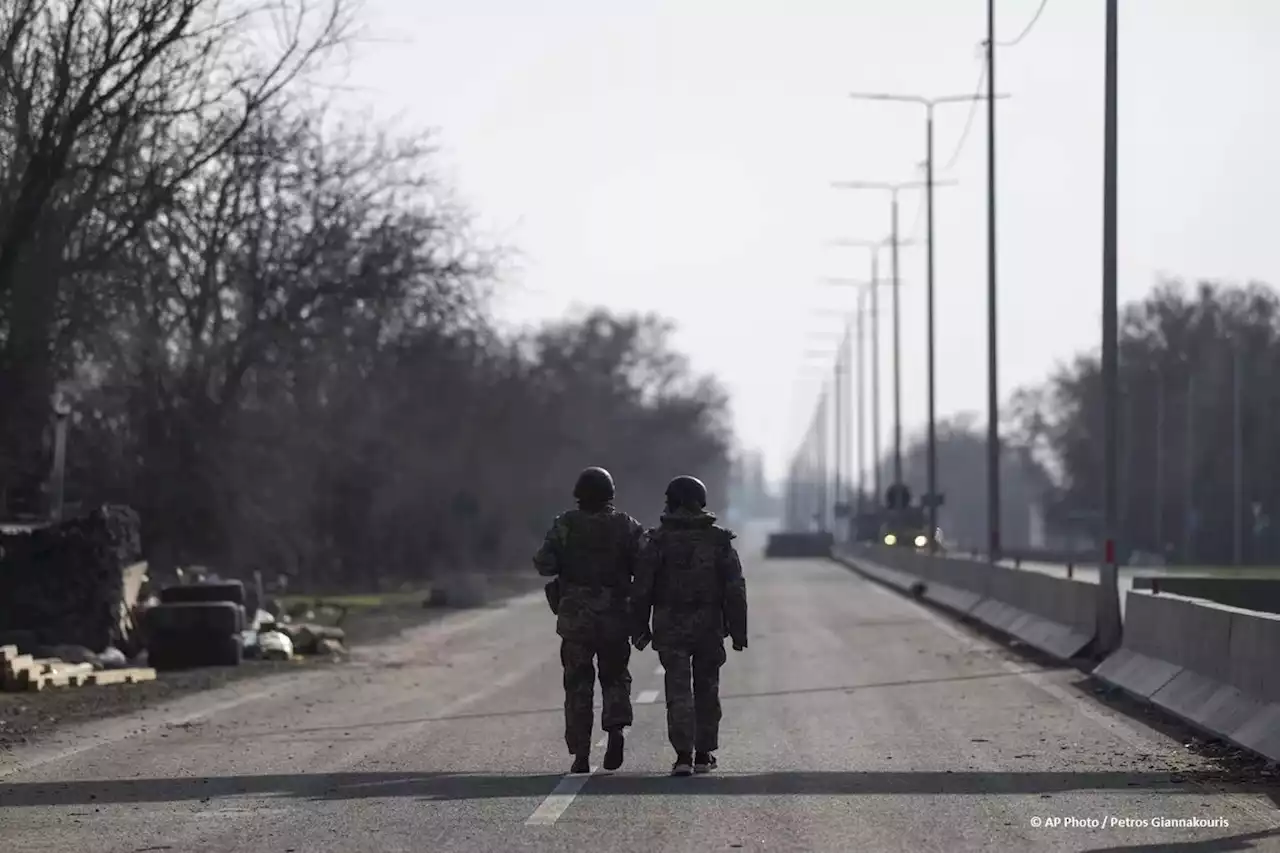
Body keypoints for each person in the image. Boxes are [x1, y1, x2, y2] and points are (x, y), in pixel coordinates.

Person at [631, 475, 748, 777]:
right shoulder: (719, 540)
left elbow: (642, 587)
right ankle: (703, 753)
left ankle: (683, 756)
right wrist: (738, 630)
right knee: (707, 688)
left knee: (678, 689)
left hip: (670, 625)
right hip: (709, 625)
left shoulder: (657, 540)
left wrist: (639, 627)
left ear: (671, 501)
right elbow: (735, 587)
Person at [534, 466, 646, 774]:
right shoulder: (626, 525)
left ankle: (581, 754)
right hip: (615, 617)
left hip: (576, 619)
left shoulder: (565, 525)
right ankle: (616, 731)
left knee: (577, 685)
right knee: (615, 677)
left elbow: (544, 564)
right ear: (610, 494)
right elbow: (646, 564)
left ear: (579, 495)